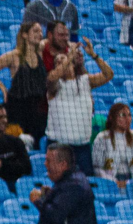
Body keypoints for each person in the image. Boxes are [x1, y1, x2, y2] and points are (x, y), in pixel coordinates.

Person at [45, 37, 112, 175]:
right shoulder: (54, 86)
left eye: (63, 61)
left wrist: (93, 55)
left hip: (82, 147)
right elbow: (52, 78)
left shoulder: (85, 81)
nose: (61, 63)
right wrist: (69, 56)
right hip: (59, 147)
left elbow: (109, 74)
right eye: (57, 62)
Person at [0, 22, 48, 147]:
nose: (39, 34)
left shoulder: (40, 52)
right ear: (24, 34)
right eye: (35, 31)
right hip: (17, 109)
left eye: (40, 31)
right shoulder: (14, 55)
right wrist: (2, 87)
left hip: (37, 110)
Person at [0, 103, 33, 193]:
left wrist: (3, 165)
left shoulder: (16, 142)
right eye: (0, 117)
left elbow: (27, 167)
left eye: (5, 117)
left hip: (16, 187)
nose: (5, 120)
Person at [92, 102, 133, 192]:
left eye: (129, 115)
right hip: (109, 182)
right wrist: (114, 182)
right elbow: (97, 167)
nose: (127, 119)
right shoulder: (102, 138)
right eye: (123, 115)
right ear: (112, 118)